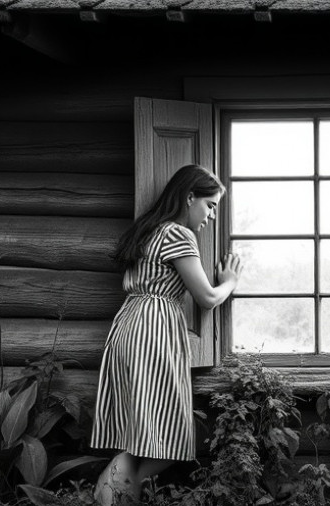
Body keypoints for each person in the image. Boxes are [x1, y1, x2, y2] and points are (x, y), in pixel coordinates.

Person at [89, 164, 242, 505]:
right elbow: (206, 297)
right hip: (154, 330)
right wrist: (230, 282)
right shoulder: (177, 234)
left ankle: (123, 492)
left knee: (147, 432)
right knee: (164, 433)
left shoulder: (147, 230)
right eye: (210, 205)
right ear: (190, 197)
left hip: (129, 325)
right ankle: (117, 493)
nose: (212, 216)